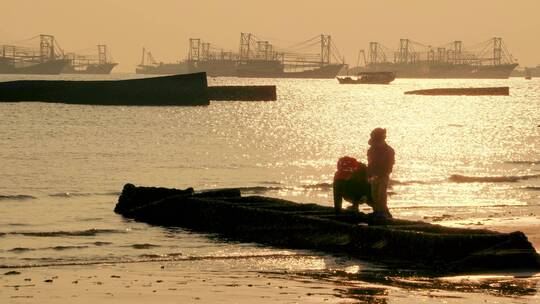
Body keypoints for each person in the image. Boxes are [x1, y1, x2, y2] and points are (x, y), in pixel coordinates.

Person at [367, 128, 395, 218]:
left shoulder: (389, 150)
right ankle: (377, 211)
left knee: (381, 193)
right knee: (374, 193)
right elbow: (370, 163)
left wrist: (384, 173)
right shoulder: (371, 150)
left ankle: (383, 212)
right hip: (375, 174)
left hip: (383, 174)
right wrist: (370, 174)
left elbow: (390, 164)